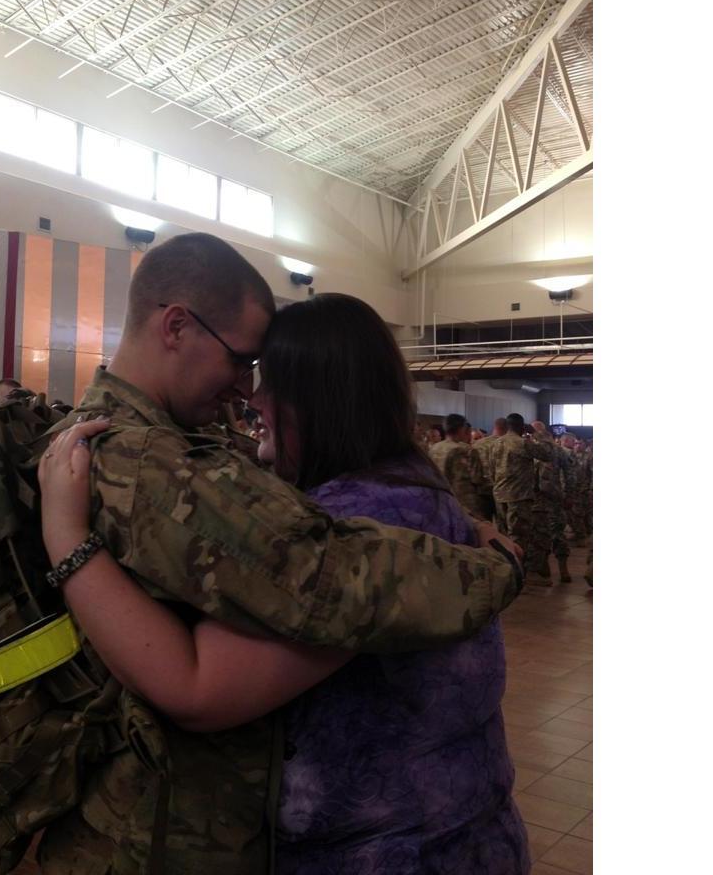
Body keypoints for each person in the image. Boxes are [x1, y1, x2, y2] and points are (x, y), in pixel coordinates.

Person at [30, 233, 523, 872]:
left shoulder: (362, 508)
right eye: (243, 363)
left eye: (264, 375)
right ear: (176, 326)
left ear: (320, 395)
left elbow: (201, 685)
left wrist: (67, 541)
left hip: (396, 849)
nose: (248, 394)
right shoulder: (151, 457)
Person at [489, 413, 554, 586]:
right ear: (521, 426)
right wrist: (538, 434)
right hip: (518, 497)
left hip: (500, 495)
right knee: (519, 537)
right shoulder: (522, 443)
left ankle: (503, 573)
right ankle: (517, 577)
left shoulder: (496, 443)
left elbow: (491, 469)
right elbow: (548, 453)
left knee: (503, 537)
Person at [530, 421, 574, 583]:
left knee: (541, 535)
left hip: (541, 498)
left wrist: (569, 495)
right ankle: (557, 569)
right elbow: (570, 475)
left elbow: (569, 474)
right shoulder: (558, 450)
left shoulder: (530, 448)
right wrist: (569, 495)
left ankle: (549, 569)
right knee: (556, 533)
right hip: (552, 497)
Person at [428, 413, 490, 519]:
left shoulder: (434, 448)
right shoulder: (465, 450)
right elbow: (477, 479)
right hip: (466, 504)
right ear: (462, 428)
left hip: (443, 501)